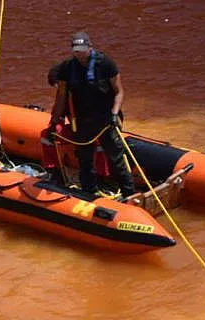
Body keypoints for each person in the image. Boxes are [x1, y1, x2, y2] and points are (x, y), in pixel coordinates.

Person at [49, 32, 135, 197]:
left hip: (105, 120)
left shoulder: (106, 64)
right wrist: (55, 120)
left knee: (115, 157)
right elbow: (61, 96)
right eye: (76, 50)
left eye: (82, 50)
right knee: (85, 159)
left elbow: (119, 91)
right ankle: (89, 192)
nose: (79, 53)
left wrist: (114, 114)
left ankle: (129, 193)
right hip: (81, 121)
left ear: (90, 47)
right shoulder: (66, 68)